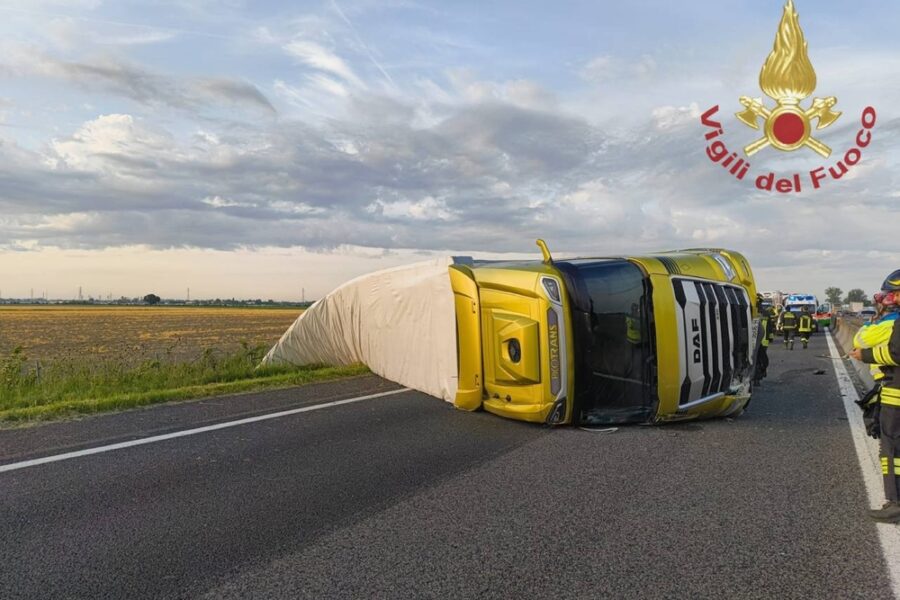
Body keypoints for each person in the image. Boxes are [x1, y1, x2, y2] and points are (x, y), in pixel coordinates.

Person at [849, 269, 900, 522]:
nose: (889, 300)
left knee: (891, 447)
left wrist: (866, 356)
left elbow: (895, 353)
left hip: (895, 391)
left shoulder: (894, 322)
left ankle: (895, 504)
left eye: (893, 295)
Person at [754, 304, 773, 385]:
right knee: (761, 359)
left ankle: (756, 377)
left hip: (753, 342)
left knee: (755, 360)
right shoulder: (766, 313)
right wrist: (770, 337)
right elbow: (770, 327)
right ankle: (759, 375)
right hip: (764, 341)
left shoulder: (751, 311)